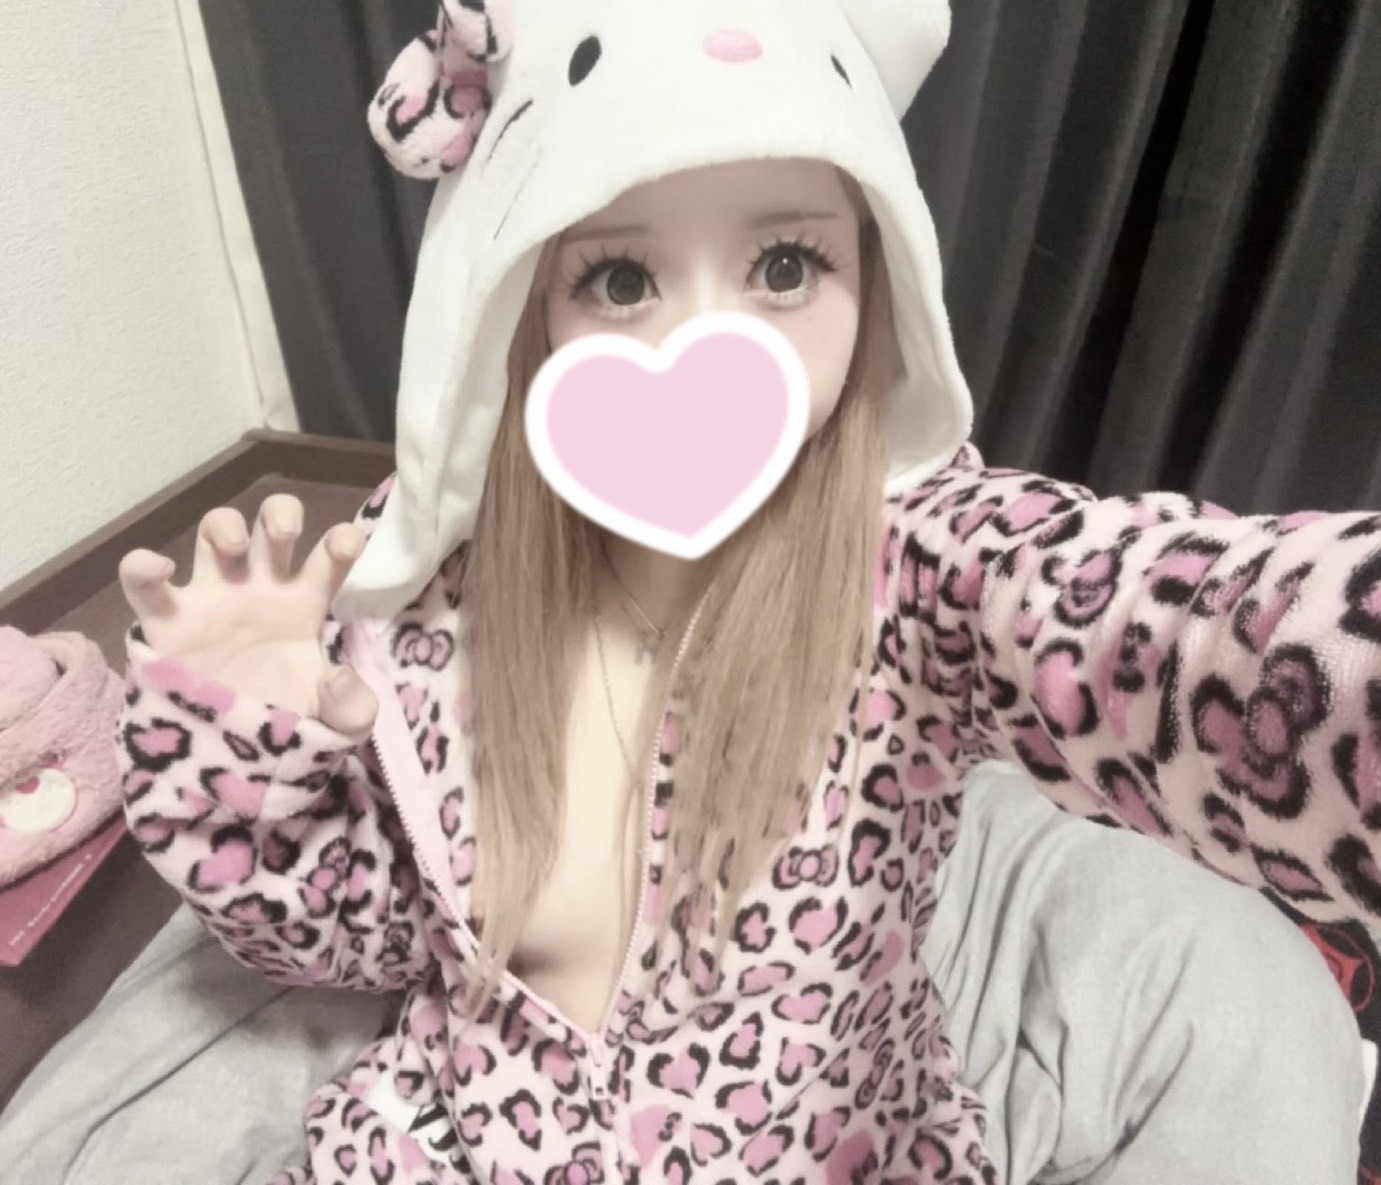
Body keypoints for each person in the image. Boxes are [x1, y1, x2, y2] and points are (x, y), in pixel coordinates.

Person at [113, 1, 1375, 1181]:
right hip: (463, 1139)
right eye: (620, 279)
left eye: (783, 263)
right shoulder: (430, 595)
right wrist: (248, 763)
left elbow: (1172, 628)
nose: (703, 346)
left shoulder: (921, 570)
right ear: (522, 301)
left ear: (876, 278)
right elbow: (365, 943)